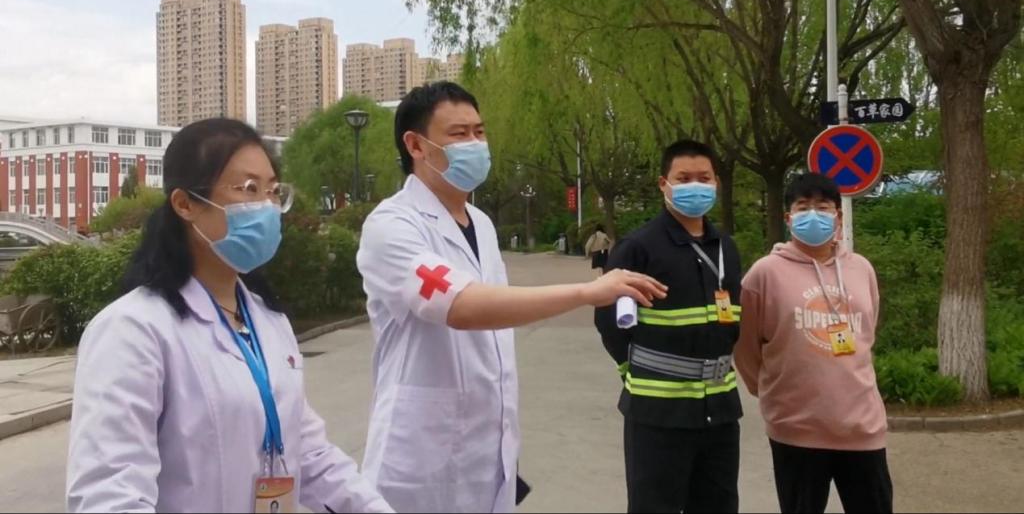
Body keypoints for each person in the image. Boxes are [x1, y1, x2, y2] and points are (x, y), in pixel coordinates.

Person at [356, 82, 666, 514]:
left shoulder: (480, 223)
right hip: (419, 461)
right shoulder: (392, 225)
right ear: (416, 145)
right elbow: (462, 306)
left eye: (479, 132)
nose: (475, 144)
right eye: (459, 134)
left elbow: (494, 322)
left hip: (487, 451)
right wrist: (585, 292)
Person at [66, 119, 393, 514]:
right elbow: (109, 494)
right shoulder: (133, 330)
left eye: (273, 191)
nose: (267, 207)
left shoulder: (267, 321)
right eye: (248, 189)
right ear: (185, 204)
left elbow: (308, 452)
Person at [594, 139, 744, 513]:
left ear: (716, 183)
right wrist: (632, 370)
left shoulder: (725, 247)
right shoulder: (638, 247)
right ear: (664, 184)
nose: (696, 186)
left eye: (704, 178)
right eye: (684, 178)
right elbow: (608, 318)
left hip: (720, 411)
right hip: (657, 413)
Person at [734, 172, 892, 514]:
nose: (813, 214)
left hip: (862, 426)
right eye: (803, 206)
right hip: (797, 428)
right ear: (788, 217)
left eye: (823, 206)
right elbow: (745, 345)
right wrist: (770, 388)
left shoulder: (861, 269)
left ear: (838, 216)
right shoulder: (764, 274)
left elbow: (867, 332)